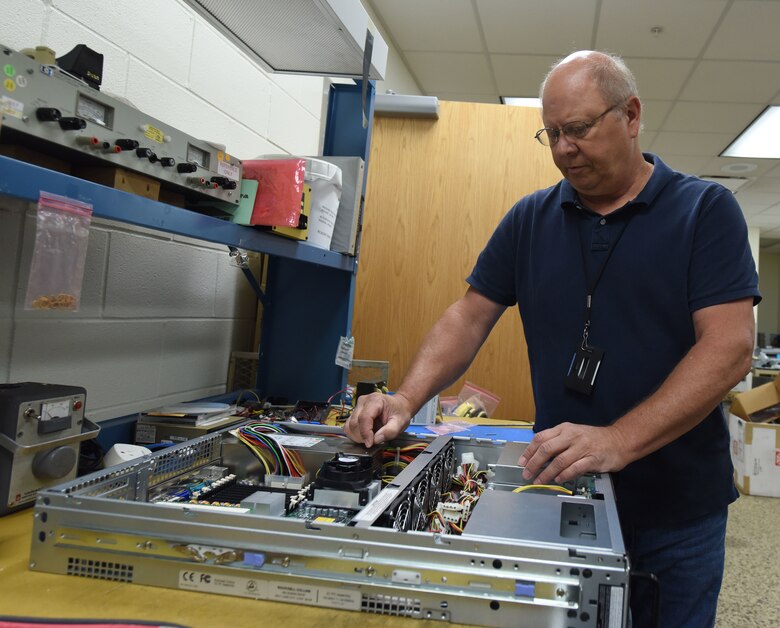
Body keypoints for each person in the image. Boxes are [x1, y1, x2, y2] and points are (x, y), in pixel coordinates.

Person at [344, 50, 760, 627]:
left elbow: (729, 346)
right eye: (553, 133)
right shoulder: (530, 218)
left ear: (632, 114)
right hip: (561, 492)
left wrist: (620, 438)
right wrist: (405, 399)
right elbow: (470, 315)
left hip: (678, 507)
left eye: (580, 129)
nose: (564, 148)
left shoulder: (704, 210)